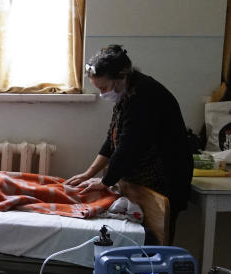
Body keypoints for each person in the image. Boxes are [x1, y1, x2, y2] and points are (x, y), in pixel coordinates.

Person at [66, 45, 193, 242]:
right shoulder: (126, 94)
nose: (102, 94)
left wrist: (105, 181)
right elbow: (112, 140)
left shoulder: (144, 96)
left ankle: (154, 271)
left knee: (156, 239)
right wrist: (88, 174)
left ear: (122, 76)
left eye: (104, 88)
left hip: (166, 178)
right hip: (144, 181)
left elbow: (129, 147)